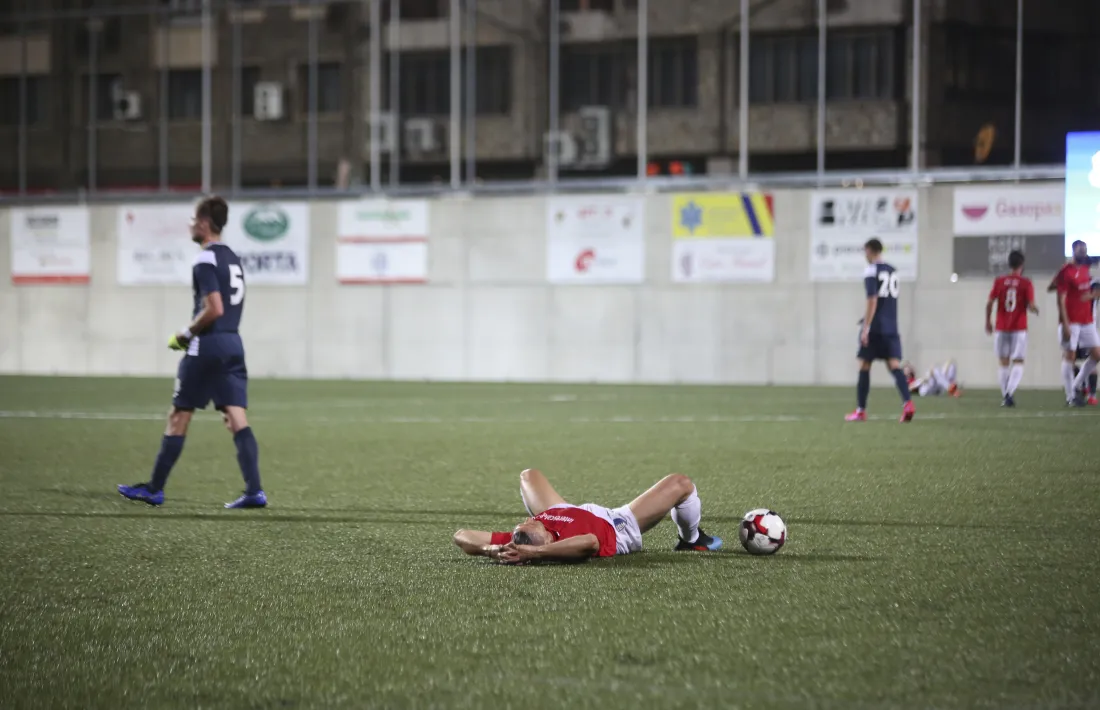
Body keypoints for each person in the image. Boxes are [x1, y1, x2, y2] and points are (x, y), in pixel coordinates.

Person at [117, 196, 267, 509]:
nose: (189, 225)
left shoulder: (205, 260)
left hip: (208, 345)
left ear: (202, 223)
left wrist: (184, 335)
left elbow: (214, 308)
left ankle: (154, 488)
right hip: (233, 344)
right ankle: (254, 491)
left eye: (191, 219)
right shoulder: (232, 258)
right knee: (236, 417)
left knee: (178, 415)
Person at [453, 469, 722, 564]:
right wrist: (534, 554)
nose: (528, 520)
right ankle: (692, 539)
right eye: (533, 524)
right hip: (617, 524)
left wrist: (491, 549)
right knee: (681, 483)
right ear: (545, 540)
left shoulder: (520, 539)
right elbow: (590, 543)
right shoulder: (563, 543)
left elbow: (462, 536)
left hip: (563, 509)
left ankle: (692, 537)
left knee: (528, 475)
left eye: (527, 521)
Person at [846, 238, 915, 423]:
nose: (865, 255)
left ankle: (861, 410)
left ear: (870, 250)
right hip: (891, 326)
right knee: (894, 365)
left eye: (865, 251)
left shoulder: (871, 270)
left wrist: (866, 327)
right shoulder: (892, 271)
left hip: (876, 327)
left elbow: (872, 300)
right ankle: (908, 403)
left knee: (864, 365)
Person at [1048, 241, 1100, 407]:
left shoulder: (1085, 269)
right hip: (1071, 320)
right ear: (1073, 251)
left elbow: (1083, 292)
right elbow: (1060, 299)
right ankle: (1071, 396)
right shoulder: (1066, 271)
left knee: (1097, 354)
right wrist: (1065, 324)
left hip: (1087, 320)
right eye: (1080, 250)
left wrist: (1089, 296)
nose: (1083, 252)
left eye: (1085, 249)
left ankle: (1076, 385)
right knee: (1069, 356)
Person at [985, 250, 1038, 407]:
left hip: (1001, 327)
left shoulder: (999, 281)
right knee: (1018, 361)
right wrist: (1035, 309)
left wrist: (987, 321)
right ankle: (1009, 393)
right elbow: (1031, 304)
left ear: (1009, 264)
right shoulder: (1026, 283)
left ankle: (1005, 396)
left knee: (1003, 362)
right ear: (1022, 264)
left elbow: (989, 302)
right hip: (1019, 328)